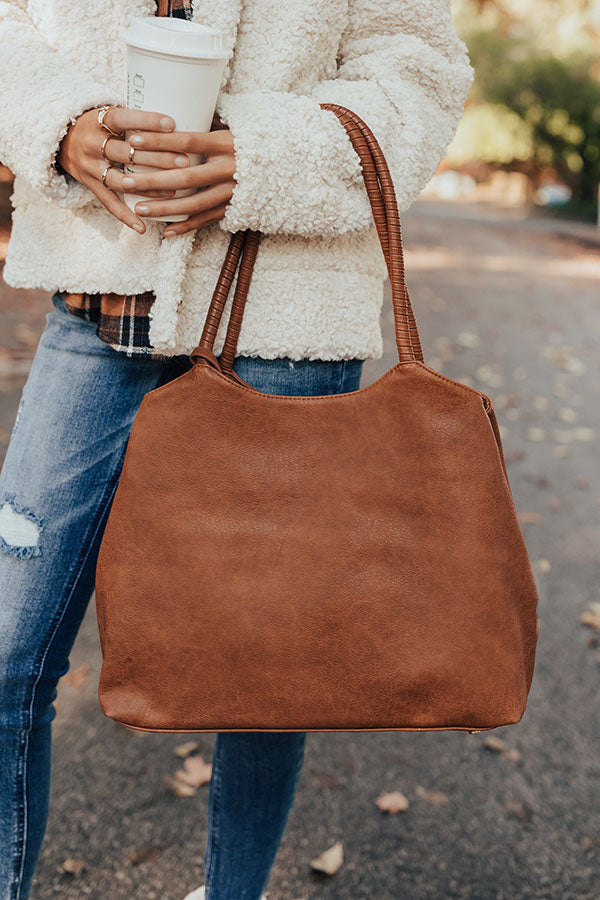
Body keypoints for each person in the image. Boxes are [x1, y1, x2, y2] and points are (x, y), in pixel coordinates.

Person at [0, 1, 473, 897]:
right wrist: (61, 126)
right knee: (8, 649)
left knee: (265, 674)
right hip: (98, 295)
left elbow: (416, 62)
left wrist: (265, 155)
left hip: (288, 308)